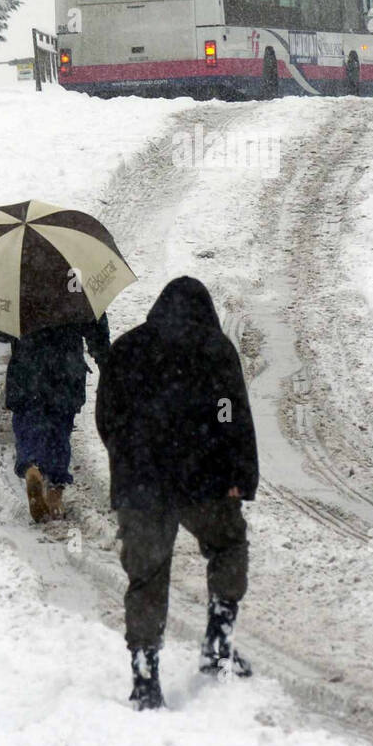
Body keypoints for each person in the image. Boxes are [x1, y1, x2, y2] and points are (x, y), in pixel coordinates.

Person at [95, 276, 259, 711]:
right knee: (227, 546)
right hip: (203, 481)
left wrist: (129, 459)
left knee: (146, 576)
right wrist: (239, 473)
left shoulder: (126, 350)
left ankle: (145, 677)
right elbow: (230, 416)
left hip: (141, 484)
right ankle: (218, 642)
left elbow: (107, 417)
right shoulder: (216, 350)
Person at [0, 315, 110, 522]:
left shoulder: (17, 286)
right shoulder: (76, 286)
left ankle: (31, 467)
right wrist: (105, 361)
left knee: (27, 423)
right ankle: (55, 492)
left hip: (27, 369)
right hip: (66, 369)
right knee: (59, 430)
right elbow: (95, 327)